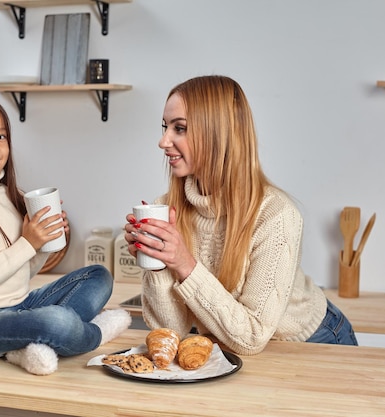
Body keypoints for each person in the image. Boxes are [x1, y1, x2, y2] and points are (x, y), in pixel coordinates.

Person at [124, 75, 357, 356]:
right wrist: (158, 264)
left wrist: (185, 264)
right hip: (229, 346)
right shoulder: (168, 208)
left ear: (217, 135)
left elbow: (252, 336)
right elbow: (173, 333)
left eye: (180, 128)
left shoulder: (276, 214)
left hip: (309, 343)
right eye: (165, 127)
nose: (163, 141)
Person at [0, 91, 131, 375]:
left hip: (18, 306)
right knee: (57, 323)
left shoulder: (8, 195)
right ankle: (95, 333)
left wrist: (43, 242)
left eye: (0, 136)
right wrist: (28, 242)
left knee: (98, 276)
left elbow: (20, 273)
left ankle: (25, 345)